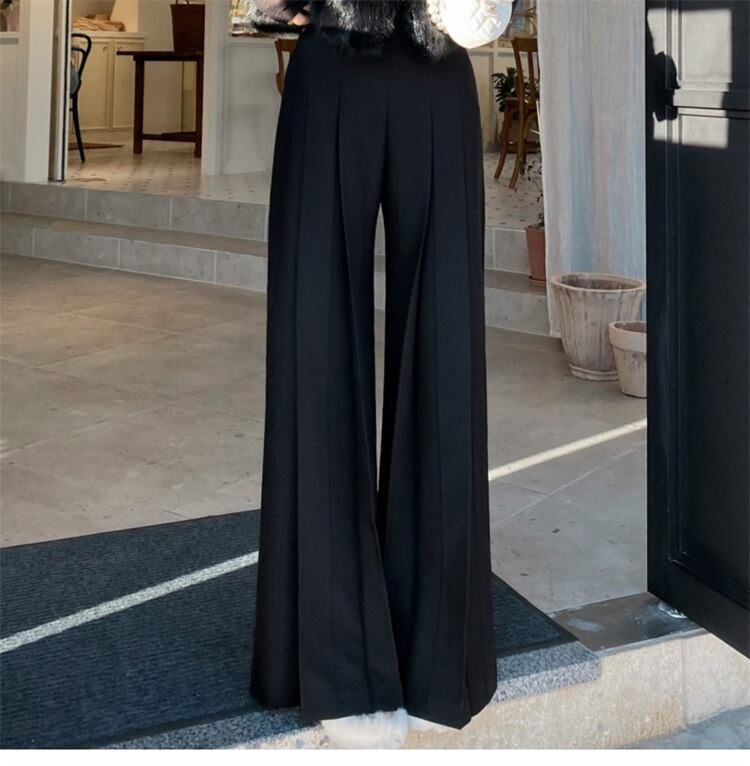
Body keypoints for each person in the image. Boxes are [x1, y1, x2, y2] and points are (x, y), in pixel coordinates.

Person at [246, 0, 499, 748]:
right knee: (315, 345)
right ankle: (337, 663)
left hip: (441, 56)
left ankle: (437, 657)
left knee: (445, 344)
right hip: (331, 55)